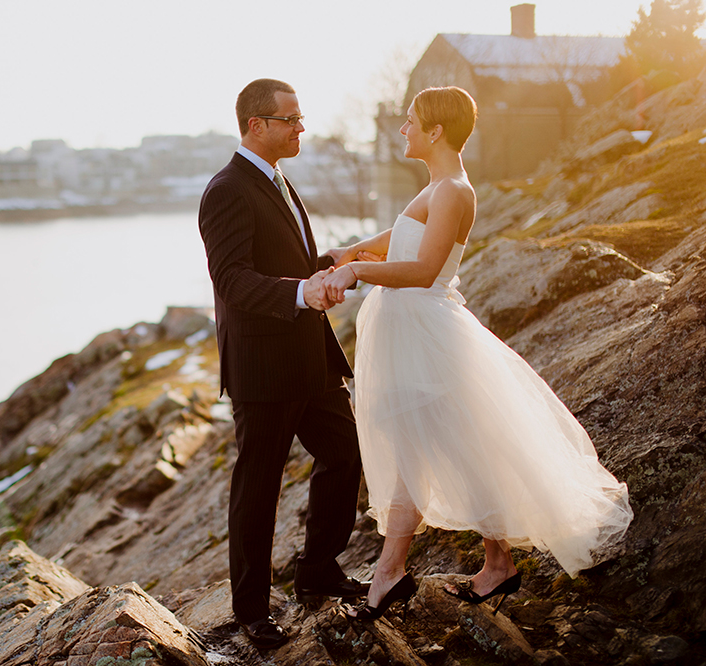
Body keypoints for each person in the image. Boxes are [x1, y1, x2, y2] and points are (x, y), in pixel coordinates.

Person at [320, 86, 633, 620]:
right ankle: (489, 564)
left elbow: (422, 270)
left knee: (422, 448)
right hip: (410, 328)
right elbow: (404, 237)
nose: (403, 130)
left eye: (411, 121)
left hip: (425, 331)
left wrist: (357, 271)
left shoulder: (453, 191)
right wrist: (351, 250)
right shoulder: (440, 186)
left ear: (435, 131)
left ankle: (399, 570)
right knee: (442, 446)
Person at [198, 78, 368, 648]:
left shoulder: (278, 180)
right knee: (259, 488)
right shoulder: (226, 189)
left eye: (300, 118)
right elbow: (233, 281)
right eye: (291, 119)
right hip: (264, 369)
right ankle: (250, 609)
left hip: (310, 359)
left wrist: (329, 265)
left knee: (345, 454)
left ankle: (317, 569)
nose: (301, 128)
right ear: (256, 126)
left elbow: (283, 262)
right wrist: (304, 292)